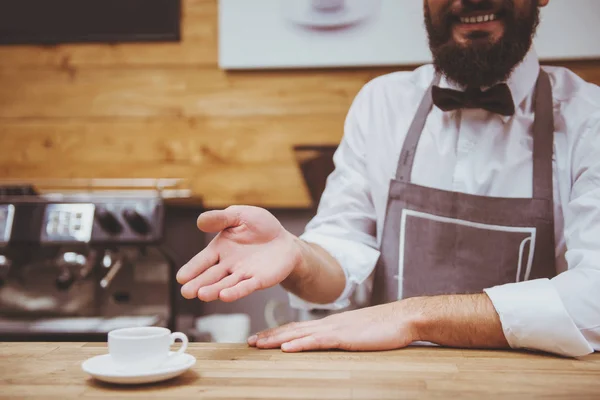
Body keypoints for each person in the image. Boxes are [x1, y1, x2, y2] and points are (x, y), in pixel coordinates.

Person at [176, 0, 600, 357]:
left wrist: (410, 315)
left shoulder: (589, 120)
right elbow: (340, 257)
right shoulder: (381, 104)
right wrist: (298, 254)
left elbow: (592, 300)